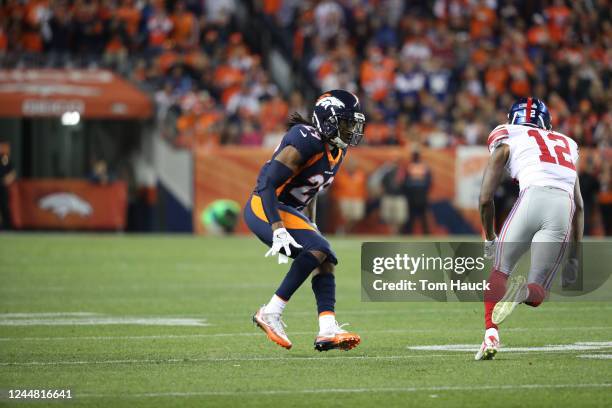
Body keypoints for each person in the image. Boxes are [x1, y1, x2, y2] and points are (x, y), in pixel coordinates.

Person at [244, 89, 365, 351]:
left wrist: (311, 223)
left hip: (289, 209)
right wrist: (277, 227)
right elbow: (266, 184)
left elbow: (311, 191)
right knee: (320, 249)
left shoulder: (336, 150)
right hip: (265, 206)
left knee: (325, 260)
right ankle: (270, 313)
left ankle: (327, 329)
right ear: (328, 119)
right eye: (346, 122)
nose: (351, 129)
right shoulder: (306, 138)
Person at [475, 97, 583, 360]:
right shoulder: (567, 144)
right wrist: (574, 259)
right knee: (537, 294)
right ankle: (522, 292)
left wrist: (490, 237)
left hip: (531, 197)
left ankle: (491, 332)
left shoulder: (507, 134)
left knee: (500, 271)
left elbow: (485, 199)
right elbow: (579, 208)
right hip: (562, 206)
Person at [0, 145, 16, 230]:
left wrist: (9, 179)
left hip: (2, 186)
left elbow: (12, 172)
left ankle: (7, 226)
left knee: (4, 205)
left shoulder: (5, 158)